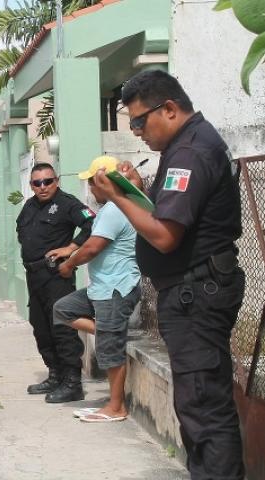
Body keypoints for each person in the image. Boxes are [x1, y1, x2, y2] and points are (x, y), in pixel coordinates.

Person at [93, 70, 245, 479]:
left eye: (140, 121)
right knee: (198, 405)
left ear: (170, 109)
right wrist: (134, 188)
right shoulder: (186, 146)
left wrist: (115, 199)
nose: (137, 131)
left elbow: (164, 235)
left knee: (203, 408)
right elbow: (166, 210)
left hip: (198, 292)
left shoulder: (191, 151)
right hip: (193, 290)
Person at [52, 156, 141, 423]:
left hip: (115, 288)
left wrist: (69, 265)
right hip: (101, 289)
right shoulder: (112, 206)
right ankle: (108, 331)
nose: (90, 188)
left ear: (107, 181)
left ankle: (116, 407)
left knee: (110, 351)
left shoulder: (115, 209)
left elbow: (93, 247)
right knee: (63, 309)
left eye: (93, 182)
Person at [15, 162, 94, 403]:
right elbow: (22, 233)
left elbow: (92, 224)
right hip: (34, 275)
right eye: (37, 183)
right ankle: (55, 374)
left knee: (62, 328)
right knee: (40, 326)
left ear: (56, 181)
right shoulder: (29, 206)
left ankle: (72, 382)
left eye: (47, 181)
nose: (42, 187)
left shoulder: (67, 204)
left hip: (55, 276)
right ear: (31, 185)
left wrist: (71, 248)